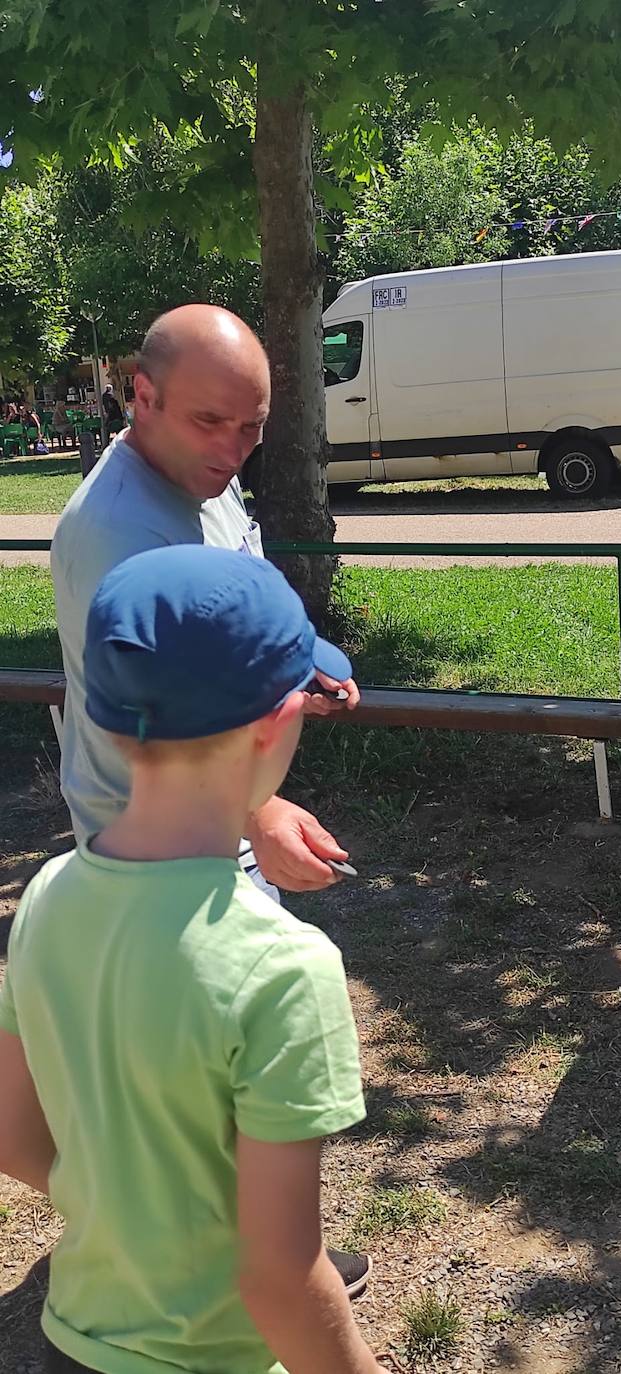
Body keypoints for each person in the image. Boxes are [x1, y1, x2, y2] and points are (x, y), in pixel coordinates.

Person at [0, 545, 386, 1374]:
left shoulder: (45, 898)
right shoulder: (284, 967)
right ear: (276, 723)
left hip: (75, 1339)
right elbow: (281, 1280)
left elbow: (14, 1137)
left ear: (102, 715)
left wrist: (123, 1214)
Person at [51, 304, 359, 899]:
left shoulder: (198, 469)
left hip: (217, 815)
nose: (233, 448)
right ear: (144, 395)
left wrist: (293, 665)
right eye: (209, 420)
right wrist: (262, 815)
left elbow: (229, 608)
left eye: (252, 426)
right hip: (152, 849)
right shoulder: (118, 533)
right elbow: (161, 721)